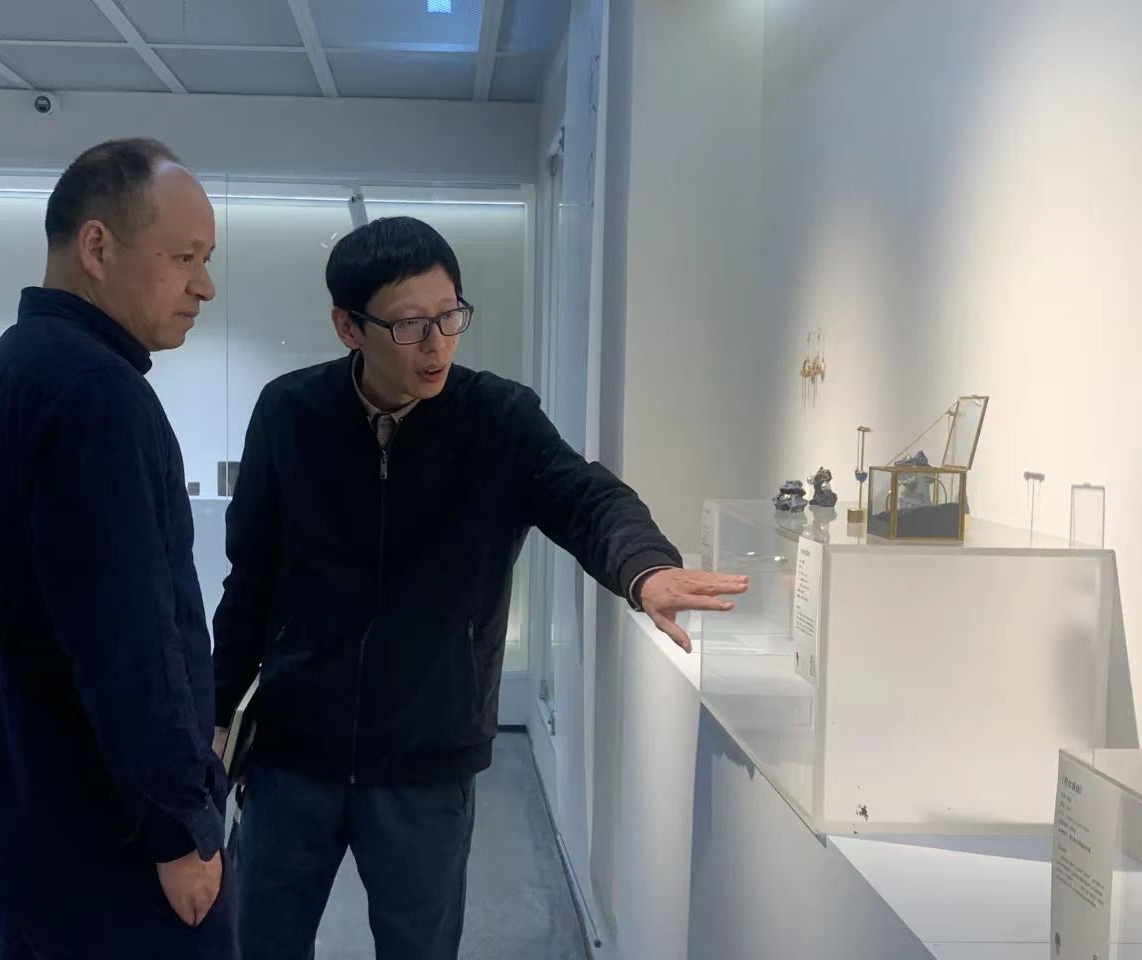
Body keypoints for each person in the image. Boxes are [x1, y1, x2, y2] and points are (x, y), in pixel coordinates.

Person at [211, 216, 747, 959]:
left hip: (427, 759)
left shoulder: (497, 417)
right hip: (293, 754)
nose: (437, 344)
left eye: (450, 316)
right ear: (348, 327)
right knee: (259, 943)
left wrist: (644, 568)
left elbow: (585, 498)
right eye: (409, 325)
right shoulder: (289, 412)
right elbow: (250, 576)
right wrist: (218, 712)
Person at [0, 138, 237, 959]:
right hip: (114, 855)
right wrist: (181, 828)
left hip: (26, 837)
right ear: (97, 247)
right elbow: (129, 642)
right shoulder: (99, 396)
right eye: (184, 258)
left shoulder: (1, 374)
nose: (204, 286)